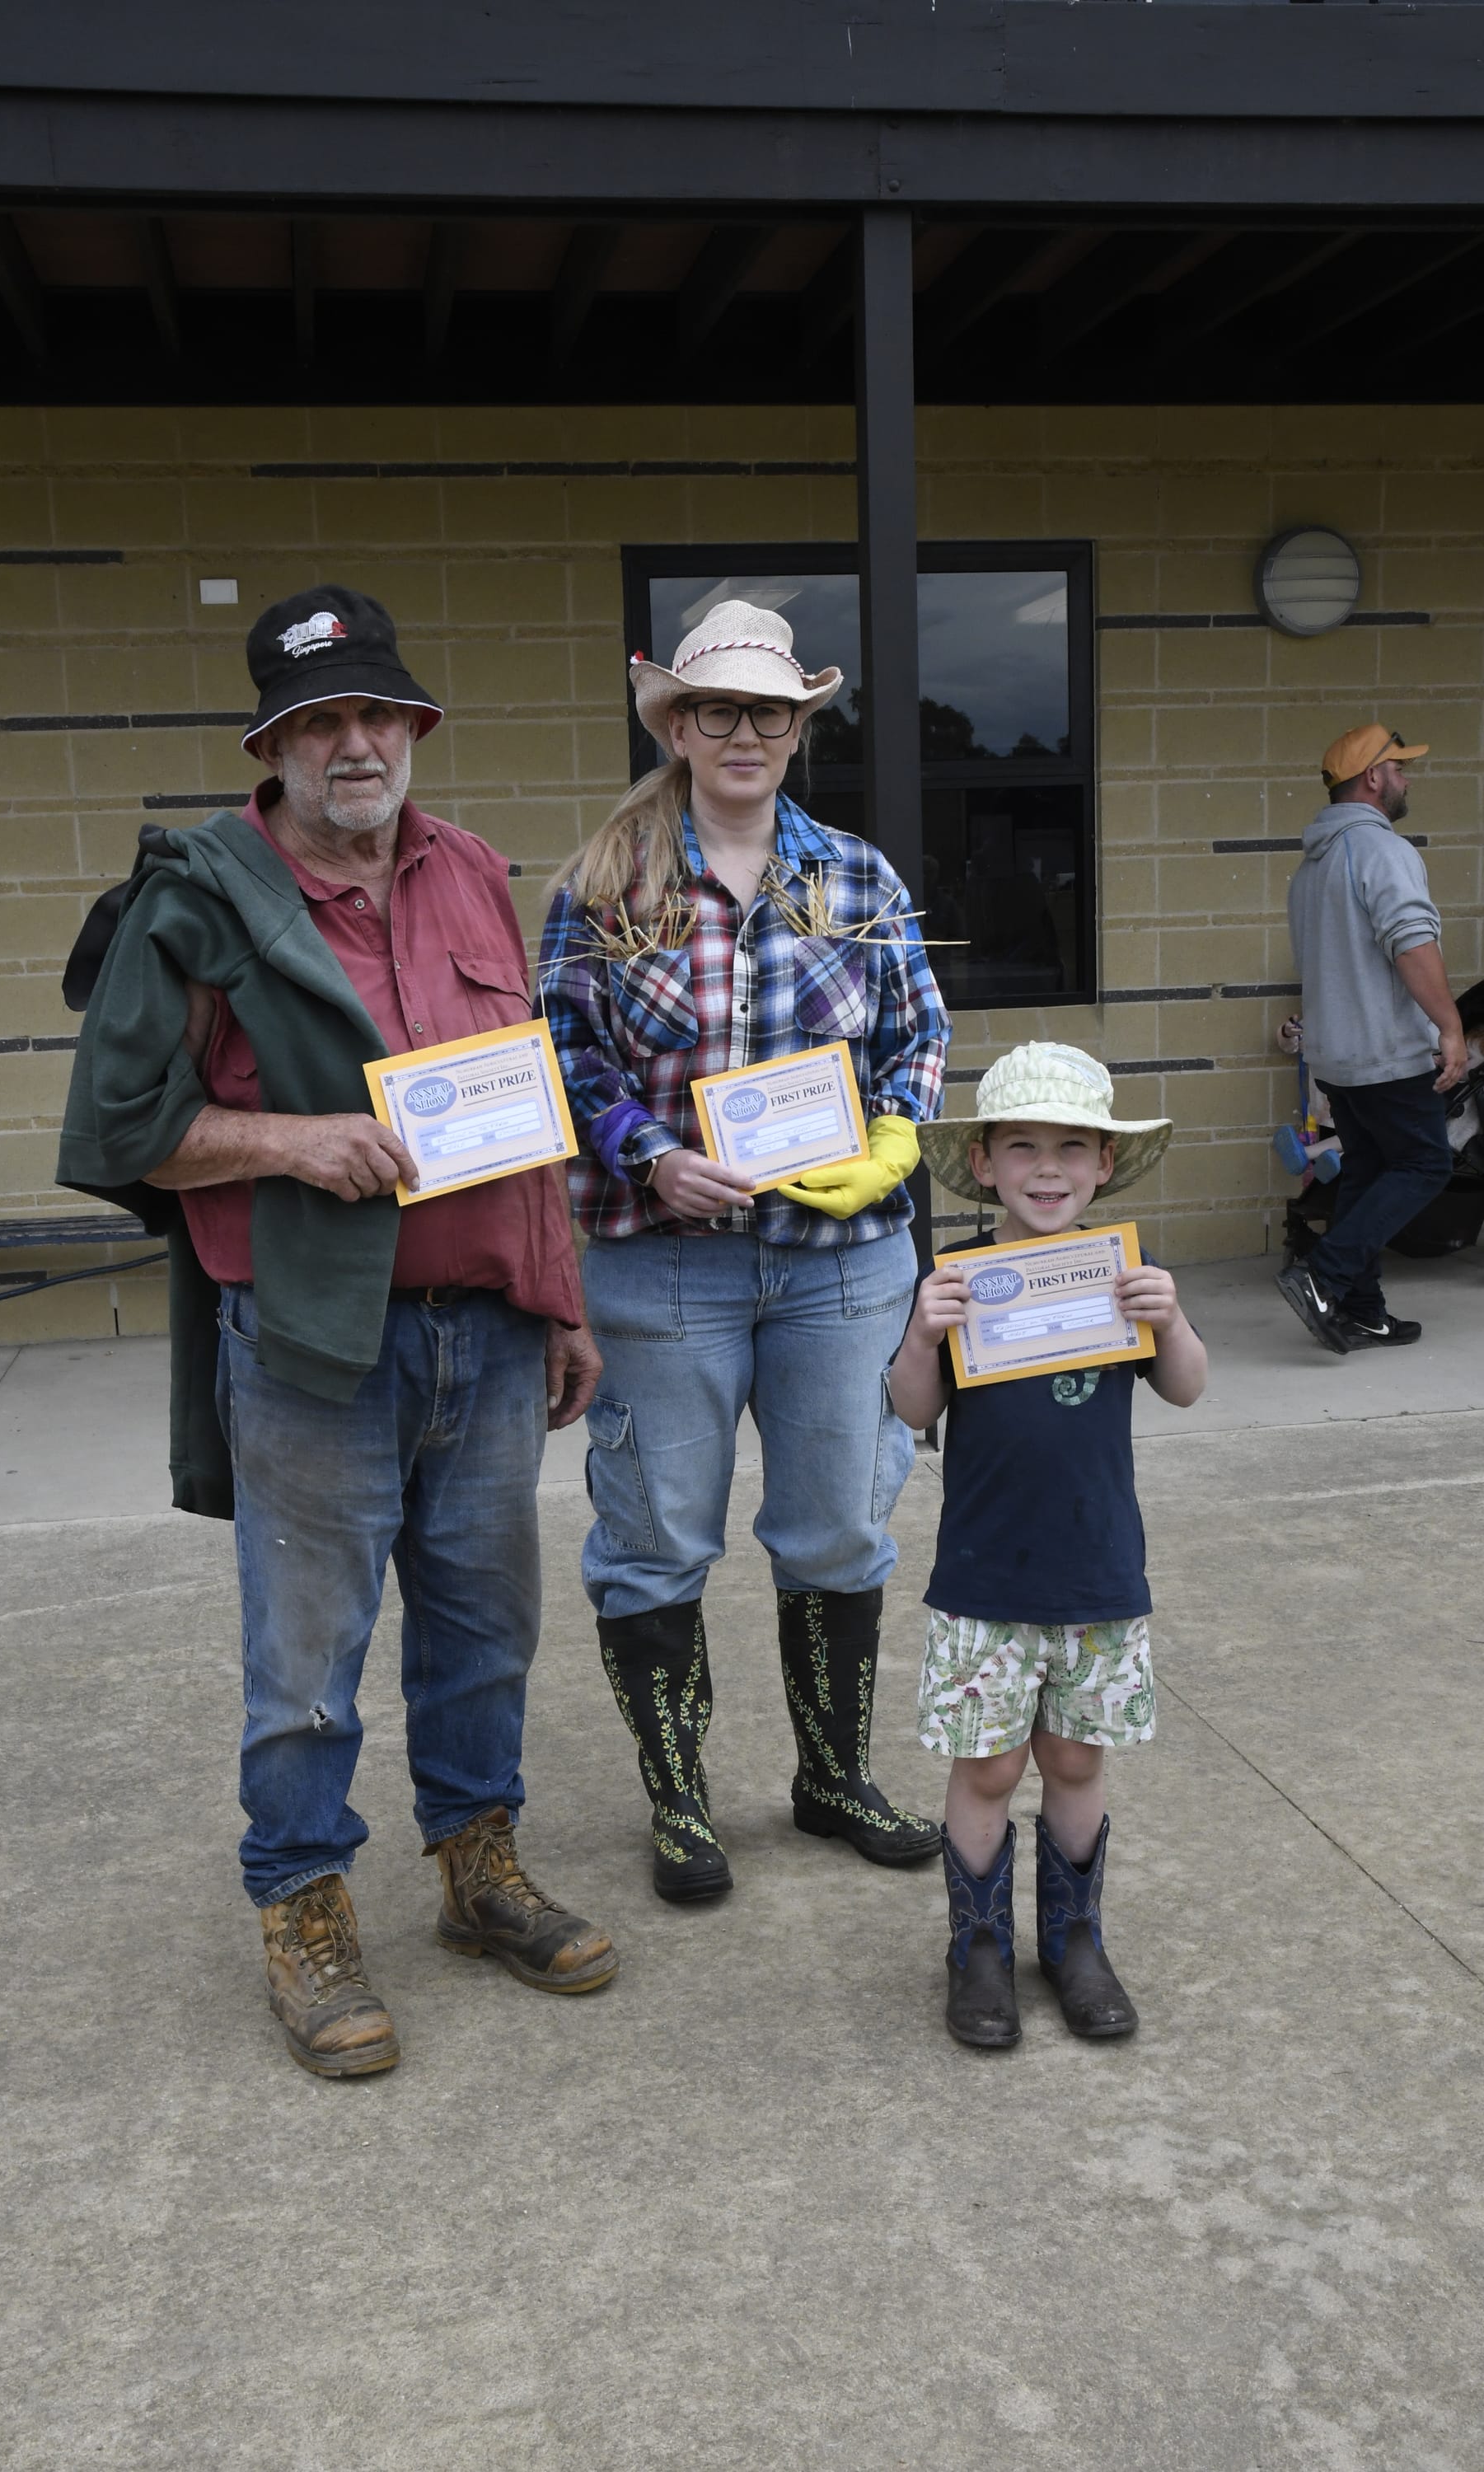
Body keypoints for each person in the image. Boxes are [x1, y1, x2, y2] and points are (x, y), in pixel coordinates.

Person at [59, 585, 617, 2079]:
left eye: (374, 713)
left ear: (414, 726)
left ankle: (476, 1871)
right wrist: (294, 1145)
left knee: (487, 1631)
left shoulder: (471, 873)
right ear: (275, 747)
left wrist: (557, 1294)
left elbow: (521, 1111)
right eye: (318, 721)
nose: (352, 742)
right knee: (306, 1658)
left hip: (487, 1333)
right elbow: (123, 1126)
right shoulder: (202, 897)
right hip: (314, 1345)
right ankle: (303, 1907)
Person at [538, 600, 951, 1902]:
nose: (744, 734)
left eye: (769, 712)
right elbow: (560, 1051)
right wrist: (645, 1152)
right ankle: (680, 1802)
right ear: (674, 722)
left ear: (797, 727)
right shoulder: (605, 884)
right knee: (657, 1539)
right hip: (665, 1264)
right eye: (716, 710)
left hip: (839, 1263)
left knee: (837, 1529)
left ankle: (831, 1779)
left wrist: (893, 1140)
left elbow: (919, 1036)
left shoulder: (857, 878)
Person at [887, 1042, 1207, 2049]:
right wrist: (920, 1336)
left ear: (1104, 1166)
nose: (1047, 1168)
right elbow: (909, 1409)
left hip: (1098, 1575)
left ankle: (1074, 1942)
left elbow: (1188, 1385)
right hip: (984, 1579)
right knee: (986, 1768)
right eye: (1021, 1146)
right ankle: (975, 1949)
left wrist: (1173, 1319)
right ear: (981, 1164)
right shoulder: (961, 1286)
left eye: (1072, 1148)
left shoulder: (1127, 1281)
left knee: (1073, 1757)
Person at [1276, 724, 1467, 1355]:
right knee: (1425, 1162)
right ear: (1373, 777)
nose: (1408, 779)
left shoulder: (1312, 865)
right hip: (1385, 1052)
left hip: (1336, 1055)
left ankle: (1363, 1310)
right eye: (1400, 768)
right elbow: (1412, 941)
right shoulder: (1381, 850)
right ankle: (1324, 1275)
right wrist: (1450, 1026)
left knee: (1369, 1169)